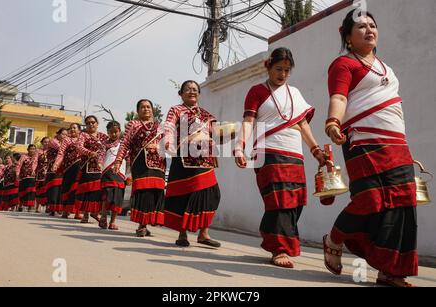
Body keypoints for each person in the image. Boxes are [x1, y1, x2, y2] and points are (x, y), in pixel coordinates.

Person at [323, 10, 418, 287]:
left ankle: (390, 271)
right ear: (348, 37)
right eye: (361, 26)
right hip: (363, 140)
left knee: (402, 205)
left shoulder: (387, 68)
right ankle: (335, 239)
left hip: (396, 144)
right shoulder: (343, 64)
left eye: (372, 25)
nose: (369, 30)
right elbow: (339, 96)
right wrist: (332, 122)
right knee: (371, 200)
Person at [234, 47, 326, 268]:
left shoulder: (294, 93)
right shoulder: (256, 91)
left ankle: (279, 241)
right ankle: (279, 248)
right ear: (268, 66)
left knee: (296, 201)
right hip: (268, 152)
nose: (282, 74)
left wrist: (316, 151)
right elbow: (248, 122)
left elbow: (302, 124)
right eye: (278, 69)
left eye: (286, 70)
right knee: (279, 200)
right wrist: (239, 146)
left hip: (294, 153)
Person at [163, 80, 222, 248]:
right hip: (184, 157)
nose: (192, 91)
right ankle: (183, 234)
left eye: (195, 89)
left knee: (211, 194)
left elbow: (217, 132)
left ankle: (204, 234)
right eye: (187, 89)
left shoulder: (206, 115)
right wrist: (168, 141)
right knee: (185, 194)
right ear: (180, 94)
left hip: (205, 159)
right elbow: (168, 127)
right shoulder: (176, 110)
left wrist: (233, 134)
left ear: (199, 94)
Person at [114, 99, 166, 237]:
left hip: (158, 164)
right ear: (137, 111)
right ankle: (141, 225)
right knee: (144, 193)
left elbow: (168, 144)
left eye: (148, 107)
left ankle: (148, 222)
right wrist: (118, 160)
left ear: (152, 110)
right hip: (140, 163)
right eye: (142, 107)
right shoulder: (133, 124)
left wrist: (159, 146)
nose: (146, 109)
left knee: (155, 193)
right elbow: (124, 143)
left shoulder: (160, 126)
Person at [75, 115, 108, 223]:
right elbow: (79, 147)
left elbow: (110, 145)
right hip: (87, 166)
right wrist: (89, 152)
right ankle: (85, 214)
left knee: (97, 191)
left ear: (97, 124)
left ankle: (95, 212)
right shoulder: (83, 135)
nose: (91, 124)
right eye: (88, 123)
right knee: (87, 191)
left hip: (100, 167)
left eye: (93, 122)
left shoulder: (103, 136)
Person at [98, 121, 127, 230]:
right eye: (111, 132)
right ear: (108, 133)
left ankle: (113, 221)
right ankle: (104, 217)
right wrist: (100, 163)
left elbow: (128, 158)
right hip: (107, 172)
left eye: (116, 132)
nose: (114, 134)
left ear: (119, 131)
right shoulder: (104, 144)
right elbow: (100, 156)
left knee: (118, 198)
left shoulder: (124, 144)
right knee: (107, 196)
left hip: (120, 173)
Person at [53, 123, 83, 220]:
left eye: (74, 128)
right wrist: (56, 164)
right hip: (68, 168)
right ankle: (65, 211)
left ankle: (77, 212)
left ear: (79, 130)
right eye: (71, 128)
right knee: (67, 189)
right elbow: (61, 152)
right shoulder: (66, 140)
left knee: (78, 190)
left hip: (80, 167)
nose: (72, 130)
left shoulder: (83, 138)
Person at [45, 128, 68, 216]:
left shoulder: (64, 142)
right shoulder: (53, 141)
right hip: (53, 168)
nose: (65, 136)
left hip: (62, 168)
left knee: (60, 188)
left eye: (66, 135)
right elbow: (61, 149)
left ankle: (59, 208)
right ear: (58, 134)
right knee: (53, 189)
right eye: (63, 134)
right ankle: (52, 208)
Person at [16, 144, 38, 211]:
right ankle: (20, 205)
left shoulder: (36, 157)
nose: (32, 150)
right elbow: (19, 165)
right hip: (23, 177)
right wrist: (17, 174)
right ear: (28, 150)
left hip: (32, 177)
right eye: (31, 149)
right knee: (22, 191)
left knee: (31, 191)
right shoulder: (23, 156)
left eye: (34, 149)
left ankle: (30, 206)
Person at [35, 137, 50, 213]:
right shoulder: (38, 151)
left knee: (47, 189)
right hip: (40, 172)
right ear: (42, 143)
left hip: (49, 172)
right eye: (45, 142)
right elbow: (35, 161)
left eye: (48, 142)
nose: (46, 143)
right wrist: (33, 169)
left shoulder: (51, 151)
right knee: (39, 189)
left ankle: (48, 206)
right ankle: (38, 206)